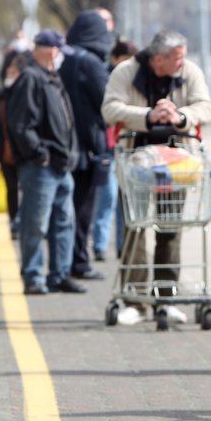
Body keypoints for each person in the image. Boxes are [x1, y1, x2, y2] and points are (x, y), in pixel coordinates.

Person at [101, 30, 211, 325]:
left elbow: (205, 106)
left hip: (176, 163)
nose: (182, 62)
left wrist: (178, 116)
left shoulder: (190, 72)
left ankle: (166, 296)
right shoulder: (126, 72)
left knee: (171, 227)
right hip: (135, 161)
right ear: (158, 58)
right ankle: (135, 300)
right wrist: (150, 115)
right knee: (135, 228)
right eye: (177, 57)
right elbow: (110, 108)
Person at [7, 29, 87, 295]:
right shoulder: (31, 78)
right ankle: (33, 276)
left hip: (61, 164)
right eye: (59, 51)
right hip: (42, 166)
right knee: (35, 224)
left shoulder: (51, 77)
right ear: (50, 50)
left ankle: (59, 274)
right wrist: (39, 154)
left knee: (64, 222)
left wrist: (70, 153)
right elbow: (20, 125)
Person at [60, 10, 115, 281]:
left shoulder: (63, 58)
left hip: (62, 145)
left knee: (63, 208)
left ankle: (62, 263)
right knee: (83, 208)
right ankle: (79, 262)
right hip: (89, 147)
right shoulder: (91, 63)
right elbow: (107, 103)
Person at [92, 39, 138, 262]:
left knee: (124, 200)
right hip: (107, 148)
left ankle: (122, 246)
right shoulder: (105, 79)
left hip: (126, 147)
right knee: (107, 197)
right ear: (115, 59)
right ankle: (100, 245)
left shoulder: (136, 79)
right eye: (124, 60)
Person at [0, 52, 32, 240]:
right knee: (11, 188)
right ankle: (14, 222)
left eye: (14, 72)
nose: (10, 76)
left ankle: (24, 220)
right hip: (4, 150)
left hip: (25, 151)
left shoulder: (28, 93)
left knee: (27, 188)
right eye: (8, 72)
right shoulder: (0, 96)